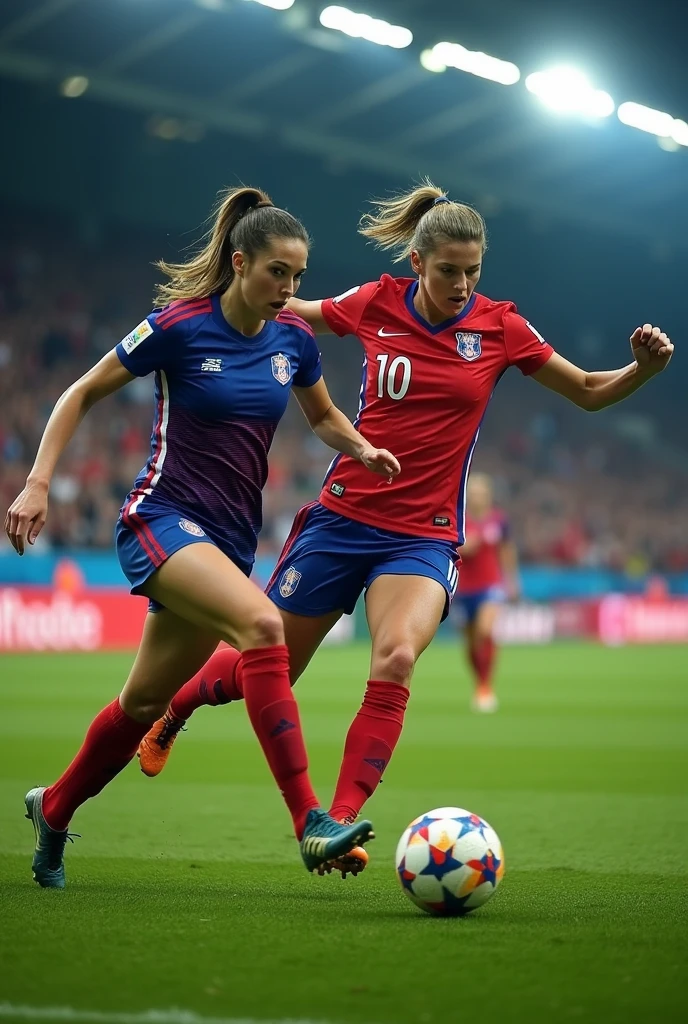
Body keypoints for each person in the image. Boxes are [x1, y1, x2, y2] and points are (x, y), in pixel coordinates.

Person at [136, 179, 674, 876]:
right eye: (447, 270)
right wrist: (220, 302)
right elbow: (287, 308)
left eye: (472, 271)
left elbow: (591, 392)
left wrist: (643, 368)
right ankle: (173, 712)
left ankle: (336, 825)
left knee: (394, 659)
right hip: (339, 521)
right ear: (416, 264)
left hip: (422, 536)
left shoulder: (502, 327)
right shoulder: (373, 303)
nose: (461, 284)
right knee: (263, 669)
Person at [4, 185, 402, 889]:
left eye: (299, 276)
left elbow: (324, 417)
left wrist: (362, 448)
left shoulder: (295, 341)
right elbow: (80, 393)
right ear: (241, 262)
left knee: (143, 704)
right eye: (278, 271)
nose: (289, 288)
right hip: (159, 520)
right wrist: (38, 482)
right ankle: (310, 821)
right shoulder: (179, 326)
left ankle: (54, 809)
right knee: (260, 624)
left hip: (226, 539)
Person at [453, 472, 519, 713]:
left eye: (481, 493)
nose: (477, 497)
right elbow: (448, 546)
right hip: (463, 588)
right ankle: (479, 682)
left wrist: (511, 581)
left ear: (488, 495)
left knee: (485, 630)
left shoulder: (499, 520)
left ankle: (485, 686)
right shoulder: (459, 519)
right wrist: (463, 547)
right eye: (473, 493)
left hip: (491, 585)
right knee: (471, 642)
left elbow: (507, 551)